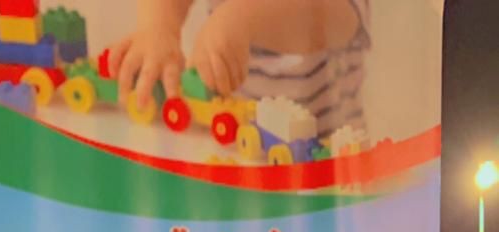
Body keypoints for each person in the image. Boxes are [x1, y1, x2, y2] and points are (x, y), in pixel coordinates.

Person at [110, 0, 370, 137]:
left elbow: (340, 18)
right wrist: (159, 25)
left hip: (326, 148)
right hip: (236, 135)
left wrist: (244, 17)